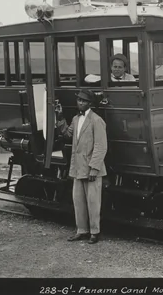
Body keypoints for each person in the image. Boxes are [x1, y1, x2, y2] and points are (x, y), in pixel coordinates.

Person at [55, 89, 107, 244]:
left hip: (91, 169)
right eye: (79, 100)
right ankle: (82, 230)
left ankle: (94, 232)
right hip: (78, 168)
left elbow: (101, 146)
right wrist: (59, 117)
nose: (80, 103)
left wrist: (94, 168)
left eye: (84, 101)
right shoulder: (76, 119)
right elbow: (67, 134)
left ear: (90, 103)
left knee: (93, 202)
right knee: (78, 201)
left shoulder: (97, 120)